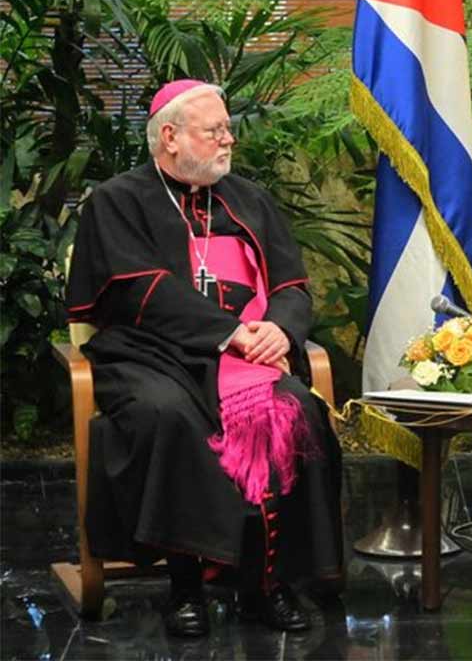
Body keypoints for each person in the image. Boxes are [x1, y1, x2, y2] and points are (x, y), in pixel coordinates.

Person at [67, 80, 343, 637]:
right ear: (170, 137)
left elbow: (292, 286)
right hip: (148, 354)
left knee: (294, 409)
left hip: (248, 356)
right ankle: (185, 585)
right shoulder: (117, 200)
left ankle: (267, 584)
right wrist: (231, 333)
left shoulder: (250, 199)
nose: (228, 140)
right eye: (214, 130)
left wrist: (280, 332)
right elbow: (141, 291)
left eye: (227, 129)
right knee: (168, 415)